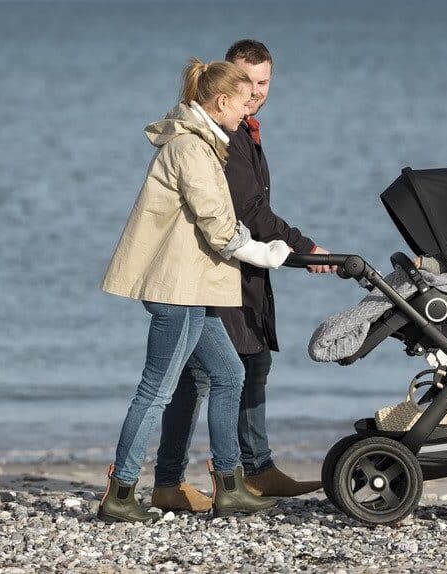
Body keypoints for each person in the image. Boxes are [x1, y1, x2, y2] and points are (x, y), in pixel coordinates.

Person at [97, 58, 291, 522]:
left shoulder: (207, 144)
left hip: (194, 286)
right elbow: (220, 227)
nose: (249, 112)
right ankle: (120, 494)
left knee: (228, 376)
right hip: (176, 289)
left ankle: (229, 487)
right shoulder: (189, 148)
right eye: (244, 102)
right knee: (156, 390)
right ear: (222, 101)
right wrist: (267, 254)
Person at [150, 40, 330, 513]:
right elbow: (248, 211)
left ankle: (248, 469)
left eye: (263, 83)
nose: (255, 92)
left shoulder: (243, 130)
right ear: (225, 84)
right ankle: (223, 476)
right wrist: (305, 249)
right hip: (217, 267)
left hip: (240, 264)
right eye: (247, 82)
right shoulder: (218, 135)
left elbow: (254, 209)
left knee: (233, 368)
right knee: (213, 373)